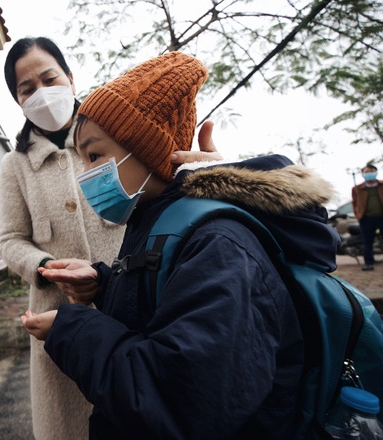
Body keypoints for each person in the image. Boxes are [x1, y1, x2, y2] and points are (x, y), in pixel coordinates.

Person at [20, 52, 341, 439]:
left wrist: (73, 331)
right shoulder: (155, 218)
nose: (85, 174)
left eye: (94, 155)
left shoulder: (218, 244)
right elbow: (166, 305)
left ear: (147, 147)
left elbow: (176, 400)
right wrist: (103, 286)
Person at [0, 37, 222, 440]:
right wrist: (47, 268)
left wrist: (206, 180)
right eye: (27, 88)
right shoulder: (14, 165)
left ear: (70, 77)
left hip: (132, 299)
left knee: (139, 411)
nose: (41, 92)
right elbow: (10, 239)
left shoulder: (118, 136)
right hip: (57, 317)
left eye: (49, 78)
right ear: (18, 100)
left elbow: (163, 196)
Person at [351, 164, 383, 271]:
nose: (369, 174)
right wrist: (358, 215)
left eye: (371, 171)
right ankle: (369, 263)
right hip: (366, 219)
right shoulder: (357, 189)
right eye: (367, 172)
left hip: (381, 217)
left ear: (376, 172)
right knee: (367, 242)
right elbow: (355, 203)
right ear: (363, 174)